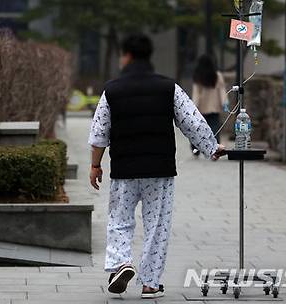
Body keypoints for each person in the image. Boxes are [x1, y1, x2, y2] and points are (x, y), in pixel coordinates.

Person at [88, 34, 225, 299]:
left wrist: (95, 165)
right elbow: (191, 120)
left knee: (119, 220)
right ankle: (150, 283)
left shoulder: (111, 90)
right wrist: (211, 147)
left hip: (124, 171)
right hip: (159, 170)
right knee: (157, 225)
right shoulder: (168, 87)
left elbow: (98, 133)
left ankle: (121, 263)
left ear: (127, 56)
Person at [191, 54, 228, 156]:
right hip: (214, 107)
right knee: (214, 128)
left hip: (201, 108)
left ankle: (196, 148)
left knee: (198, 129)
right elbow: (222, 91)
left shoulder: (198, 76)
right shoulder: (217, 75)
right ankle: (215, 149)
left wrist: (193, 107)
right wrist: (224, 103)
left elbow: (196, 94)